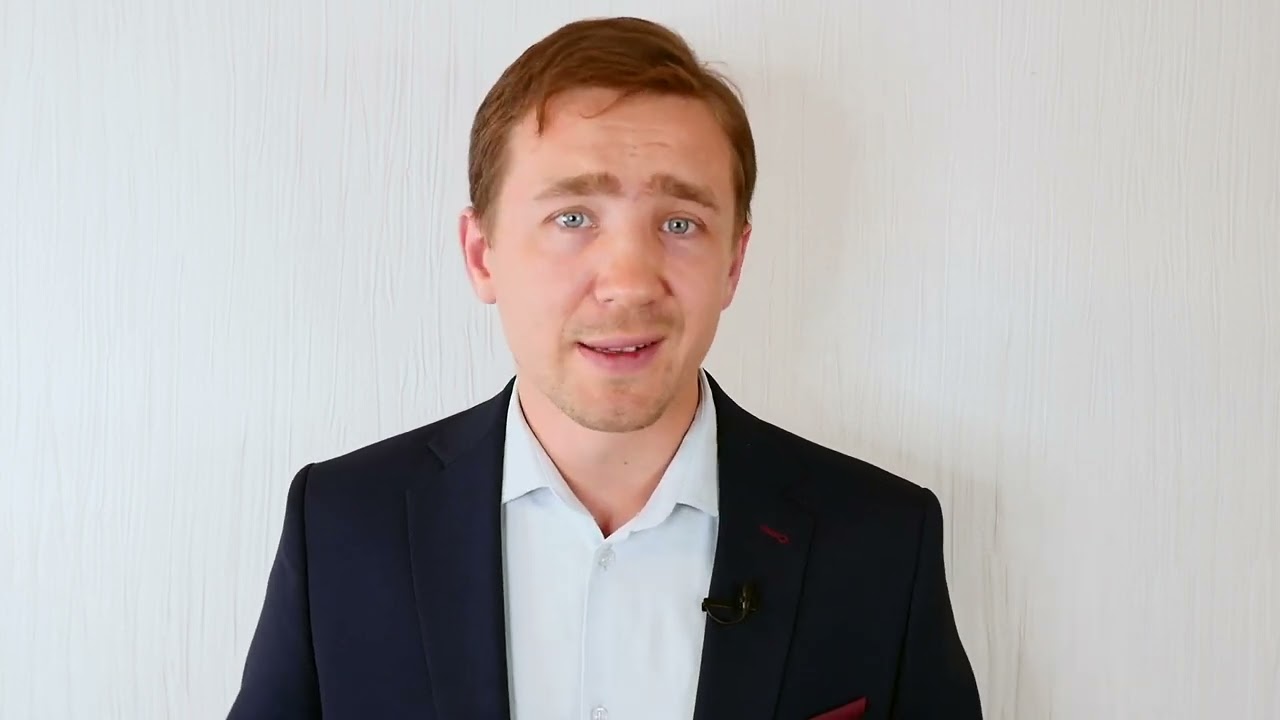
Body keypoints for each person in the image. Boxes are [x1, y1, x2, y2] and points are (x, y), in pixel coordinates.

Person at [227, 16, 982, 720]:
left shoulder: (882, 539)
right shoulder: (341, 523)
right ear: (482, 254)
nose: (629, 283)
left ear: (734, 262)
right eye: (572, 218)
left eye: (680, 223)